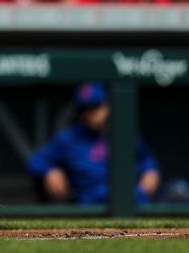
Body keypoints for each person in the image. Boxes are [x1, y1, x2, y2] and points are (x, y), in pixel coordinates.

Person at [29, 82, 160, 205]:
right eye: (84, 109)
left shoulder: (123, 133)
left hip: (130, 197)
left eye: (95, 107)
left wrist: (151, 170)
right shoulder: (69, 138)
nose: (90, 114)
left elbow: (146, 158)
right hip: (92, 201)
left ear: (107, 106)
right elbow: (36, 161)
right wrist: (50, 170)